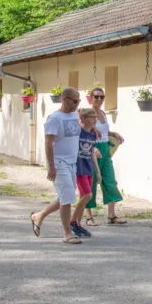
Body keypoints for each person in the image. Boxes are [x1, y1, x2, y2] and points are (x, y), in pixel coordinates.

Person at [30, 87, 83, 244]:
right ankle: (67, 232)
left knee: (66, 195)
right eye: (75, 101)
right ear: (64, 99)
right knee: (67, 197)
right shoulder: (55, 118)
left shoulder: (75, 114)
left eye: (78, 101)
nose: (77, 104)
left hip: (72, 162)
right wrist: (51, 166)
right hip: (59, 162)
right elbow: (48, 142)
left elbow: (86, 119)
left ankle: (38, 216)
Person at [85, 87, 127, 226]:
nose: (99, 99)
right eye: (96, 97)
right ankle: (89, 217)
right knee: (90, 183)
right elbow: (84, 133)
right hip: (92, 150)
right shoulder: (87, 113)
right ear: (90, 98)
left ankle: (111, 215)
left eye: (102, 97)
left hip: (105, 150)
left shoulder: (103, 113)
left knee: (110, 181)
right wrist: (93, 147)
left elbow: (105, 131)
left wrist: (114, 134)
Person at [70, 108, 102, 238]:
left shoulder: (93, 135)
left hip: (89, 168)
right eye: (91, 117)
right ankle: (72, 221)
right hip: (79, 169)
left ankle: (78, 224)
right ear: (83, 119)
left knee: (84, 197)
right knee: (88, 195)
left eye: (96, 117)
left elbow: (92, 153)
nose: (95, 119)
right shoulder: (78, 132)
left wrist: (97, 171)